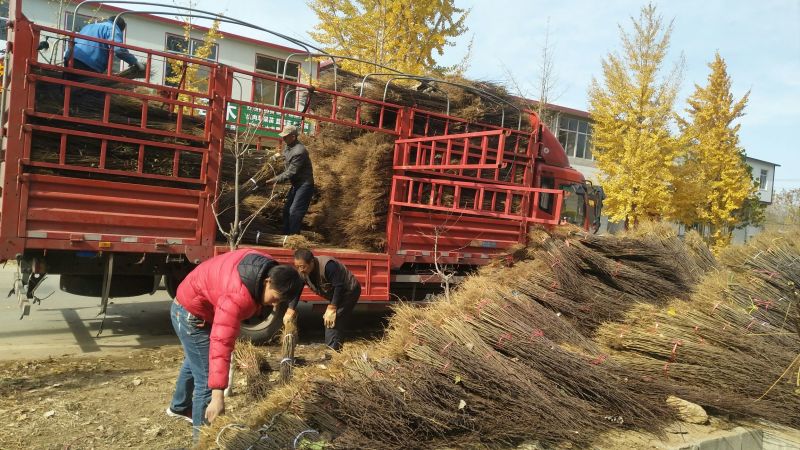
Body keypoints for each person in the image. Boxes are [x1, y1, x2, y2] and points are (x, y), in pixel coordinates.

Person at [166, 249, 303, 439]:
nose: (274, 305)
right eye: (275, 298)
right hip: (190, 313)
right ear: (267, 282)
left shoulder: (268, 267)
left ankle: (179, 407)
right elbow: (221, 344)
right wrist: (217, 397)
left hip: (196, 302)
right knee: (207, 383)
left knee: (197, 358)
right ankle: (203, 441)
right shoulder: (237, 297)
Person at [286, 248, 361, 351]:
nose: (300, 270)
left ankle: (332, 355)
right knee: (334, 320)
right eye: (297, 267)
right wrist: (291, 309)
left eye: (303, 267)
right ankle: (337, 350)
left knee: (331, 320)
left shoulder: (328, 266)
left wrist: (332, 307)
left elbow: (339, 286)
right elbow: (297, 289)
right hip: (337, 293)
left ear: (312, 262)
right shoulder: (302, 271)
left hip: (348, 291)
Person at [266, 125, 315, 236]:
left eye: (285, 136)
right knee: (287, 210)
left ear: (293, 137)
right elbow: (283, 157)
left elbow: (291, 172)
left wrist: (274, 180)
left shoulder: (299, 151)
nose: (283, 139)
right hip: (296, 184)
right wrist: (274, 157)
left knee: (294, 211)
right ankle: (286, 235)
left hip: (304, 185)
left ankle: (294, 238)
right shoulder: (289, 146)